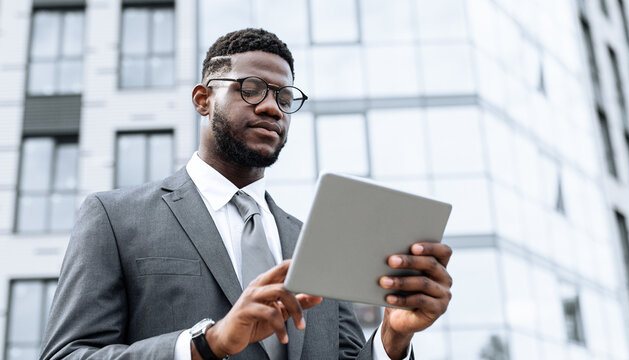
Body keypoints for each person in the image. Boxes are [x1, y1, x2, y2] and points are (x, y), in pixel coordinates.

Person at [39, 28, 453, 360]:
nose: (272, 108)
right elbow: (67, 354)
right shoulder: (114, 218)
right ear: (204, 100)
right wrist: (207, 344)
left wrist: (392, 338)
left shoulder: (317, 241)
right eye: (251, 89)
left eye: (284, 97)